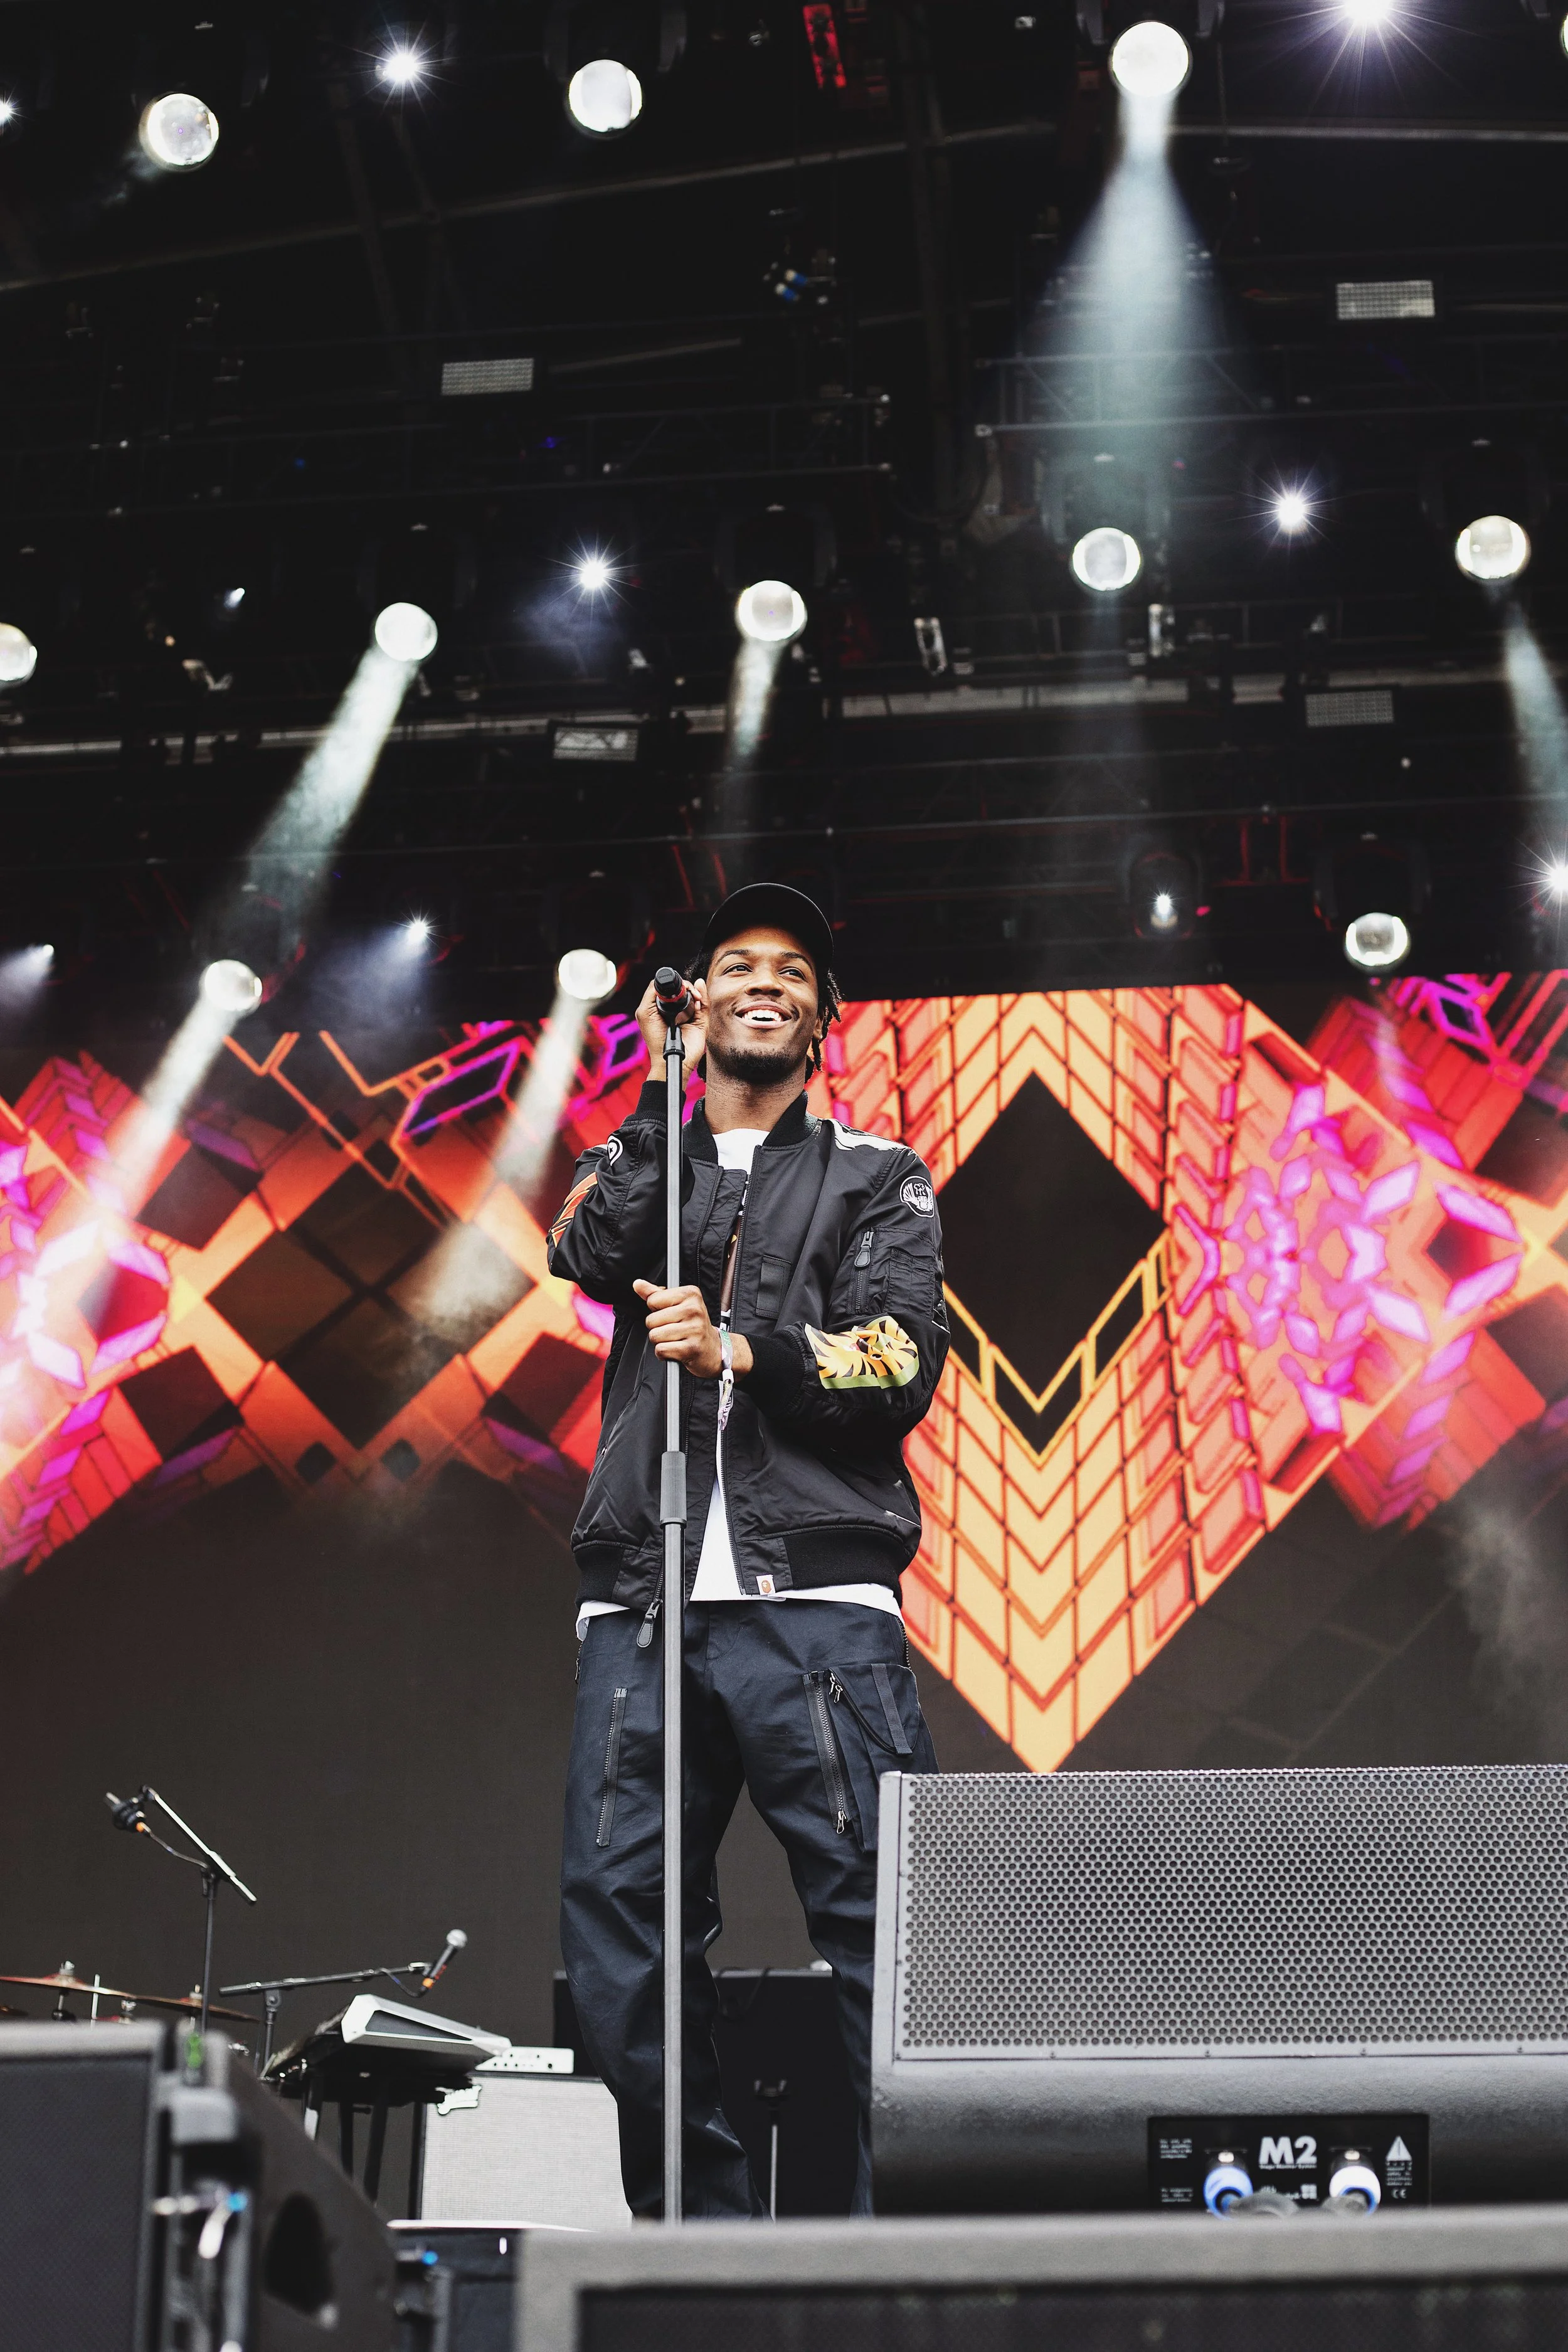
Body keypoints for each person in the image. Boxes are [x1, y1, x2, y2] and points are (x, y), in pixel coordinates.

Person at [547, 882, 947, 2218]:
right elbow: (583, 1248)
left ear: (823, 1017)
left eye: (790, 969)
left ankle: (895, 2262)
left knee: (887, 1938)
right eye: (733, 966)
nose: (762, 980)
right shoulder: (639, 1153)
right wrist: (662, 1092)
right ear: (698, 1000)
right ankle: (700, 2251)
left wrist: (743, 1348)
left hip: (818, 1609)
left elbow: (898, 1360)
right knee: (621, 1944)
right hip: (641, 1606)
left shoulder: (876, 1173)